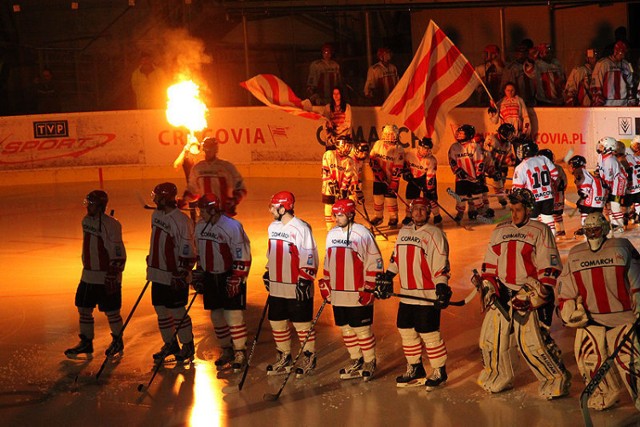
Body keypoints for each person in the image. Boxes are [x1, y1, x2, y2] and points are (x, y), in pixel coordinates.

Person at [477, 188, 570, 399]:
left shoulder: (540, 230)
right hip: (502, 292)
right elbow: (490, 262)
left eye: (518, 209)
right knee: (491, 340)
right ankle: (498, 374)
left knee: (532, 344)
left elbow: (550, 264)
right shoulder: (500, 230)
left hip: (528, 293)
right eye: (512, 210)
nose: (514, 214)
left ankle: (555, 379)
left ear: (528, 209)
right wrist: (489, 285)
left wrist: (541, 291)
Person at [557, 212, 640, 411]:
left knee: (632, 361)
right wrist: (568, 310)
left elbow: (637, 279)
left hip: (623, 319)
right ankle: (605, 391)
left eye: (595, 230)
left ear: (604, 230)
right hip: (591, 320)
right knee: (589, 360)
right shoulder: (576, 254)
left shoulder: (621, 247)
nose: (592, 235)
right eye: (588, 231)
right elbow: (565, 287)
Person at [374, 197, 451, 390]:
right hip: (407, 293)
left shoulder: (435, 234)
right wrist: (388, 275)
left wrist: (441, 286)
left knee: (429, 333)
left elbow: (440, 263)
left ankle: (439, 370)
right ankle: (415, 367)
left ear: (428, 212)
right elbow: (396, 258)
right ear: (410, 211)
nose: (418, 213)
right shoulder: (404, 232)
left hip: (427, 294)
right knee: (405, 329)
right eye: (415, 209)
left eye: (422, 210)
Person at [319, 199, 383, 381]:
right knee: (346, 329)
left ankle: (370, 361)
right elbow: (327, 260)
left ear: (350, 214)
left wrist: (370, 287)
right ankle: (356, 359)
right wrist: (326, 282)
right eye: (335, 215)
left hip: (357, 292)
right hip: (338, 293)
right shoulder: (331, 234)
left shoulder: (362, 234)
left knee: (362, 329)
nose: (336, 218)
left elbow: (375, 261)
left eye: (340, 215)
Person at [192, 193, 251, 372]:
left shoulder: (232, 226)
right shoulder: (200, 227)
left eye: (202, 209)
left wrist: (237, 276)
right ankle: (226, 349)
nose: (199, 213)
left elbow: (242, 252)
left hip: (229, 275)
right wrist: (200, 272)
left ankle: (240, 351)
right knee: (216, 316)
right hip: (211, 276)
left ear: (212, 209)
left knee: (233, 316)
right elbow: (199, 252)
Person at [65, 190, 127, 359]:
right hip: (88, 275)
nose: (88, 207)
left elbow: (118, 251)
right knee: (83, 308)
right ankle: (86, 341)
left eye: (91, 204)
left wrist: (113, 273)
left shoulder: (112, 225)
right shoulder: (86, 221)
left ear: (100, 206)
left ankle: (117, 340)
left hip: (106, 275)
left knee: (112, 311)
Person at [264, 191, 319, 378]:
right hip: (277, 286)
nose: (270, 209)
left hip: (296, 286)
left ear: (282, 207)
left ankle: (309, 357)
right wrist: (267, 271)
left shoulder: (301, 228)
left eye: (273, 206)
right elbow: (271, 252)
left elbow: (309, 254)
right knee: (276, 322)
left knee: (302, 325)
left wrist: (305, 279)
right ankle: (284, 356)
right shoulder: (272, 227)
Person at [146, 182, 197, 364]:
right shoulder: (156, 214)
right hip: (157, 274)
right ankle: (170, 344)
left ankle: (187, 345)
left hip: (174, 275)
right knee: (161, 310)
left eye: (157, 197)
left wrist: (182, 272)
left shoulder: (182, 221)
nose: (154, 200)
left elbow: (188, 249)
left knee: (177, 311)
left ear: (165, 198)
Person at [186, 137, 247, 216]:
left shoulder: (227, 167)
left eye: (210, 149)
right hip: (205, 215)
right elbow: (192, 190)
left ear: (216, 150)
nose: (207, 152)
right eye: (206, 149)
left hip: (223, 213)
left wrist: (234, 200)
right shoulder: (197, 168)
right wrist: (184, 200)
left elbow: (241, 188)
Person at [511, 140, 559, 234]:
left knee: (533, 221)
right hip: (548, 196)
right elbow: (555, 174)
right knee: (548, 219)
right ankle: (551, 241)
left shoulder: (521, 166)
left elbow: (518, 188)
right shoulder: (543, 159)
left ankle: (535, 242)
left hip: (533, 199)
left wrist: (513, 192)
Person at [448, 124, 492, 221]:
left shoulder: (474, 146)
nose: (458, 135)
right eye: (458, 133)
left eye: (461, 133)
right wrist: (457, 170)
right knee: (460, 197)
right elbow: (452, 161)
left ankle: (481, 212)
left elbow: (479, 162)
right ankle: (460, 214)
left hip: (473, 178)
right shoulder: (454, 147)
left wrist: (479, 175)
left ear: (468, 135)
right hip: (461, 179)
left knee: (477, 197)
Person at [369, 124, 405, 228]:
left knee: (390, 199)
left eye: (391, 135)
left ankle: (394, 217)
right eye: (387, 134)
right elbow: (372, 159)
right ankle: (378, 216)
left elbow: (398, 167)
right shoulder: (378, 144)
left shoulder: (399, 149)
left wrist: (394, 181)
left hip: (391, 179)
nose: (389, 137)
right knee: (378, 198)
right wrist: (377, 171)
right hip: (377, 178)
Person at [402, 137, 442, 226]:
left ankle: (437, 215)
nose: (426, 151)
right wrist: (406, 172)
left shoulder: (432, 160)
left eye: (428, 149)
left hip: (425, 178)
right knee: (410, 198)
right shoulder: (410, 154)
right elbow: (404, 164)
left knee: (431, 198)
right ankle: (409, 216)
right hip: (413, 178)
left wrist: (429, 189)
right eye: (424, 148)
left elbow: (430, 175)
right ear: (419, 147)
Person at [321, 135, 357, 230]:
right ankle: (330, 228)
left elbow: (348, 176)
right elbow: (325, 170)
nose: (348, 148)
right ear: (339, 145)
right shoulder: (329, 154)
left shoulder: (349, 160)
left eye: (349, 146)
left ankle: (342, 226)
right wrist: (330, 183)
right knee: (329, 206)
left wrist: (343, 189)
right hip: (328, 187)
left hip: (341, 187)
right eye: (346, 145)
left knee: (342, 207)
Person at [596, 136, 627, 233]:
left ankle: (619, 225)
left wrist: (604, 189)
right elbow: (599, 170)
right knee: (609, 204)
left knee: (614, 203)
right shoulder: (601, 156)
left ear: (608, 147)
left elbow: (609, 179)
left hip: (618, 183)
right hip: (611, 182)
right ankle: (612, 223)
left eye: (602, 146)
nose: (599, 147)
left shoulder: (611, 160)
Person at [590, 41, 637, 106]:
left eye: (624, 53)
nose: (623, 56)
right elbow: (595, 83)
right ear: (615, 52)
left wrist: (631, 98)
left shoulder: (626, 64)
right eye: (621, 53)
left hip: (623, 104)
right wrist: (598, 98)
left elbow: (630, 84)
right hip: (607, 104)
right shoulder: (602, 64)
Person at [567, 154, 608, 228]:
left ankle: (586, 230)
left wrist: (584, 192)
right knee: (596, 218)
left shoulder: (579, 171)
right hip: (600, 200)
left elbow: (586, 183)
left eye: (571, 165)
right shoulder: (586, 172)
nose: (570, 167)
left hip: (591, 200)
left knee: (585, 216)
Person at [483, 123, 516, 208]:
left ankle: (501, 198)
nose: (511, 136)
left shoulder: (508, 144)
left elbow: (507, 156)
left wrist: (512, 162)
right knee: (482, 185)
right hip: (486, 165)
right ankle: (482, 204)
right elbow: (486, 155)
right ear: (503, 133)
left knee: (500, 181)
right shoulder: (491, 139)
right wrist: (492, 168)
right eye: (509, 134)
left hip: (498, 165)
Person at [538, 148, 568, 239]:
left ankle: (546, 231)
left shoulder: (539, 169)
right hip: (558, 196)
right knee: (557, 214)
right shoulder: (558, 168)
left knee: (543, 214)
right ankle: (560, 230)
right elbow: (565, 182)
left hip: (545, 196)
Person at [500, 42, 537, 107]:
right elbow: (505, 85)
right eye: (520, 53)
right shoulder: (510, 68)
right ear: (516, 54)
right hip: (516, 101)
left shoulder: (531, 65)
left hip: (531, 100)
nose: (522, 55)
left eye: (524, 52)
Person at [322, 86, 352, 150]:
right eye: (334, 94)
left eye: (338, 94)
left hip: (344, 137)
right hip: (331, 138)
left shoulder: (347, 107)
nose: (336, 96)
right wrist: (328, 125)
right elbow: (325, 121)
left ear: (341, 95)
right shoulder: (328, 107)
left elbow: (348, 123)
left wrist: (338, 130)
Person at [625, 136, 640, 225]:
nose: (634, 147)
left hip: (633, 185)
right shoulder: (631, 157)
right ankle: (635, 214)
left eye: (636, 145)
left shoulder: (629, 157)